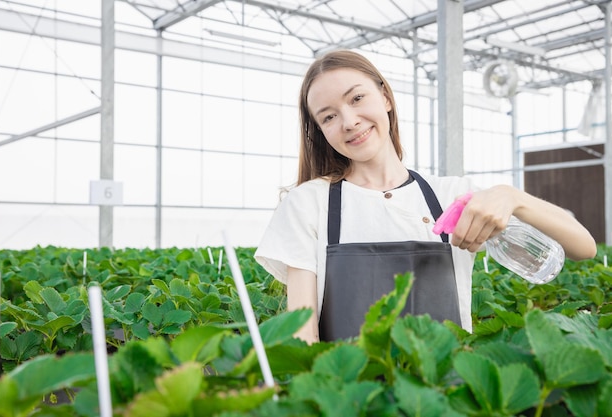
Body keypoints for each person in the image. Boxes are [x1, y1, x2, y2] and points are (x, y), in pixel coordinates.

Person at [254, 49, 597, 344]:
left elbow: (584, 247)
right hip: (350, 395)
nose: (348, 121)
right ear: (321, 131)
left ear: (385, 97)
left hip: (442, 392)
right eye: (328, 117)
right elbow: (303, 334)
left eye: (357, 98)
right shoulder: (308, 203)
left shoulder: (453, 196)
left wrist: (511, 197)